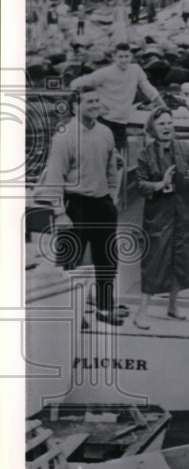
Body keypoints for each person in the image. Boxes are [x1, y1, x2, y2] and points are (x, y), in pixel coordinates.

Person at [41, 86, 122, 325]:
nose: (95, 105)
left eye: (97, 100)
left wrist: (112, 200)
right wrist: (59, 213)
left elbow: (111, 170)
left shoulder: (106, 132)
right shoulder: (64, 136)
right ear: (76, 107)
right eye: (89, 102)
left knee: (107, 259)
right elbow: (55, 177)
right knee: (71, 261)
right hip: (74, 204)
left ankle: (105, 309)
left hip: (102, 204)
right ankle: (73, 312)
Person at [134, 107, 189, 327]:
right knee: (154, 261)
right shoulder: (145, 153)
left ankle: (173, 307)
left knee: (181, 258)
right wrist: (160, 184)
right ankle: (141, 313)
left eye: (169, 123)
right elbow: (139, 184)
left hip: (183, 213)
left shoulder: (186, 149)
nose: (166, 127)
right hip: (158, 216)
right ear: (153, 128)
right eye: (161, 124)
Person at [71, 43, 164, 162]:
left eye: (127, 56)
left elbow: (149, 89)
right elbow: (75, 84)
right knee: (99, 157)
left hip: (121, 122)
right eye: (121, 57)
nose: (124, 60)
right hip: (103, 120)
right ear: (114, 57)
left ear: (131, 56)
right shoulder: (105, 73)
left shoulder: (135, 70)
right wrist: (95, 105)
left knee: (117, 160)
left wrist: (163, 107)